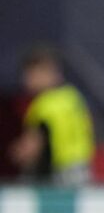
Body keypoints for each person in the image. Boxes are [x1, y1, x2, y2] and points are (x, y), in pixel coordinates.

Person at [10, 44, 95, 185]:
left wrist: (17, 152)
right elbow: (88, 127)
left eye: (30, 75)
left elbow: (32, 145)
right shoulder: (73, 97)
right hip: (82, 169)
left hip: (59, 172)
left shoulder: (44, 105)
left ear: (47, 73)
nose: (26, 81)